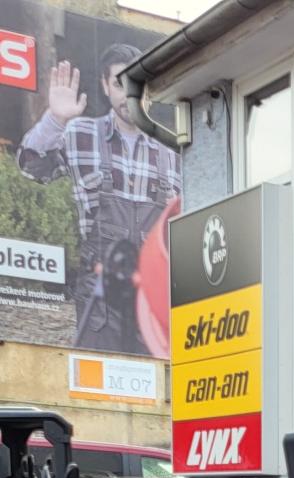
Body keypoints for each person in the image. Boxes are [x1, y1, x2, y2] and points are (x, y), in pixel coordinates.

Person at [17, 43, 181, 356]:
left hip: (153, 300)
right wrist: (55, 119)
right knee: (96, 383)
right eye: (119, 84)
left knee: (158, 384)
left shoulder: (173, 151)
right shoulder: (81, 134)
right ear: (105, 86)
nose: (129, 93)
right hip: (99, 299)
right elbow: (29, 167)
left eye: (138, 83)